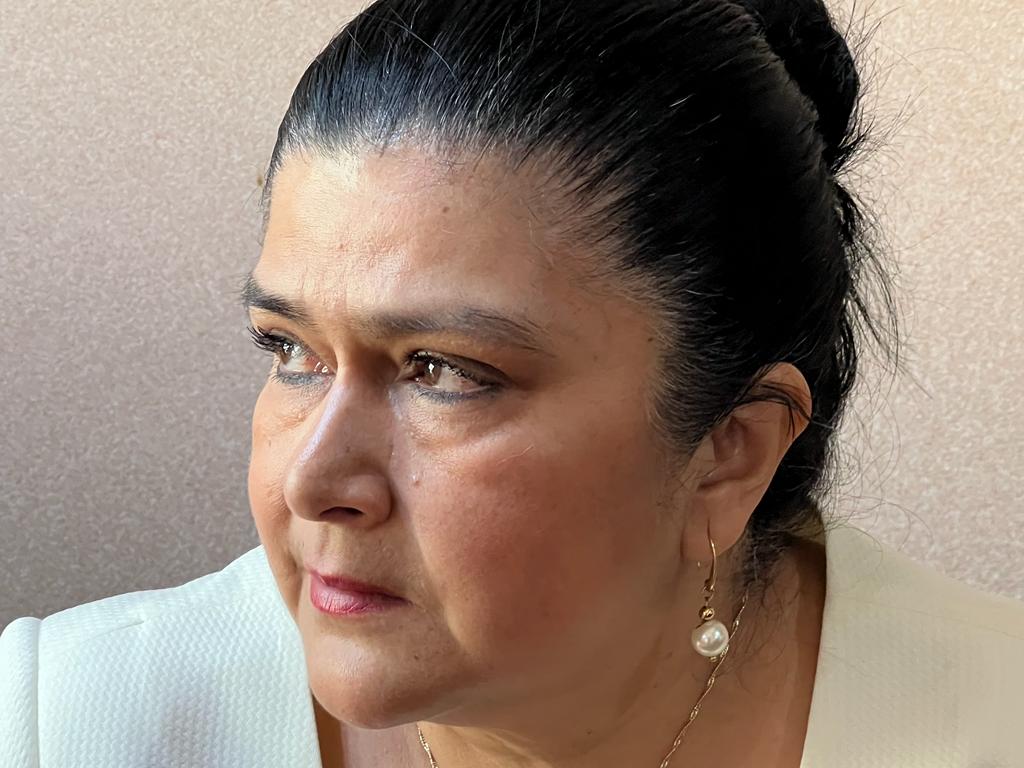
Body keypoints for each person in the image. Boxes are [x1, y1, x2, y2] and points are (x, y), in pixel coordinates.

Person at [3, 0, 1023, 766]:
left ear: (729, 452)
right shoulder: (66, 723)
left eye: (441, 372)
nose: (312, 481)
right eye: (290, 351)